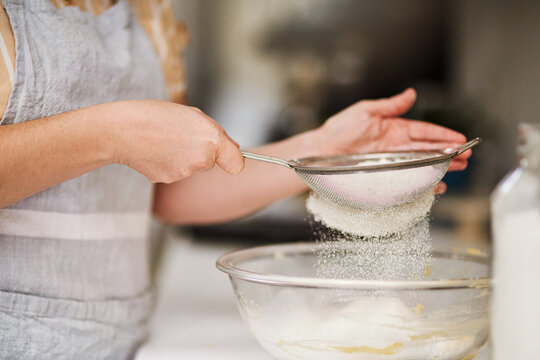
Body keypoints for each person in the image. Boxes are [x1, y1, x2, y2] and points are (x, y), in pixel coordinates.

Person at [0, 0, 470, 359]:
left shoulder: (147, 16)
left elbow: (161, 193)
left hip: (126, 339)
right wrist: (113, 133)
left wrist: (327, 155)